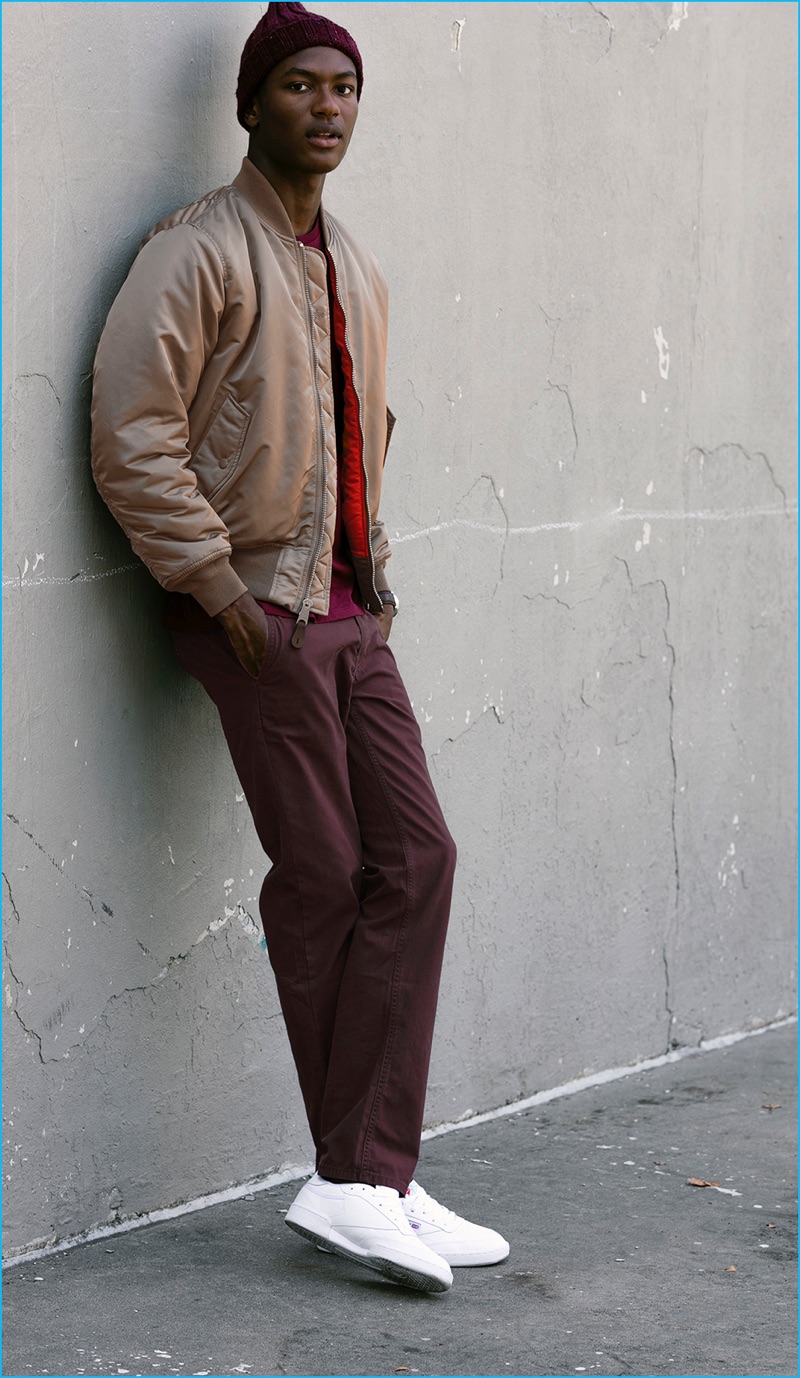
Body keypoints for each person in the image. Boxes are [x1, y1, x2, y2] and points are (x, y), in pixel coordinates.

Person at [91, 1, 509, 1294]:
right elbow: (130, 428)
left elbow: (366, 426)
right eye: (302, 87)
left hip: (348, 612)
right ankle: (358, 1175)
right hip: (255, 609)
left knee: (419, 854)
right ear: (250, 105)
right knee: (325, 873)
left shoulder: (356, 267)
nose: (327, 108)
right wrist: (220, 589)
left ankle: (369, 1171)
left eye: (344, 90)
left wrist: (370, 589)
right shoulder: (198, 249)